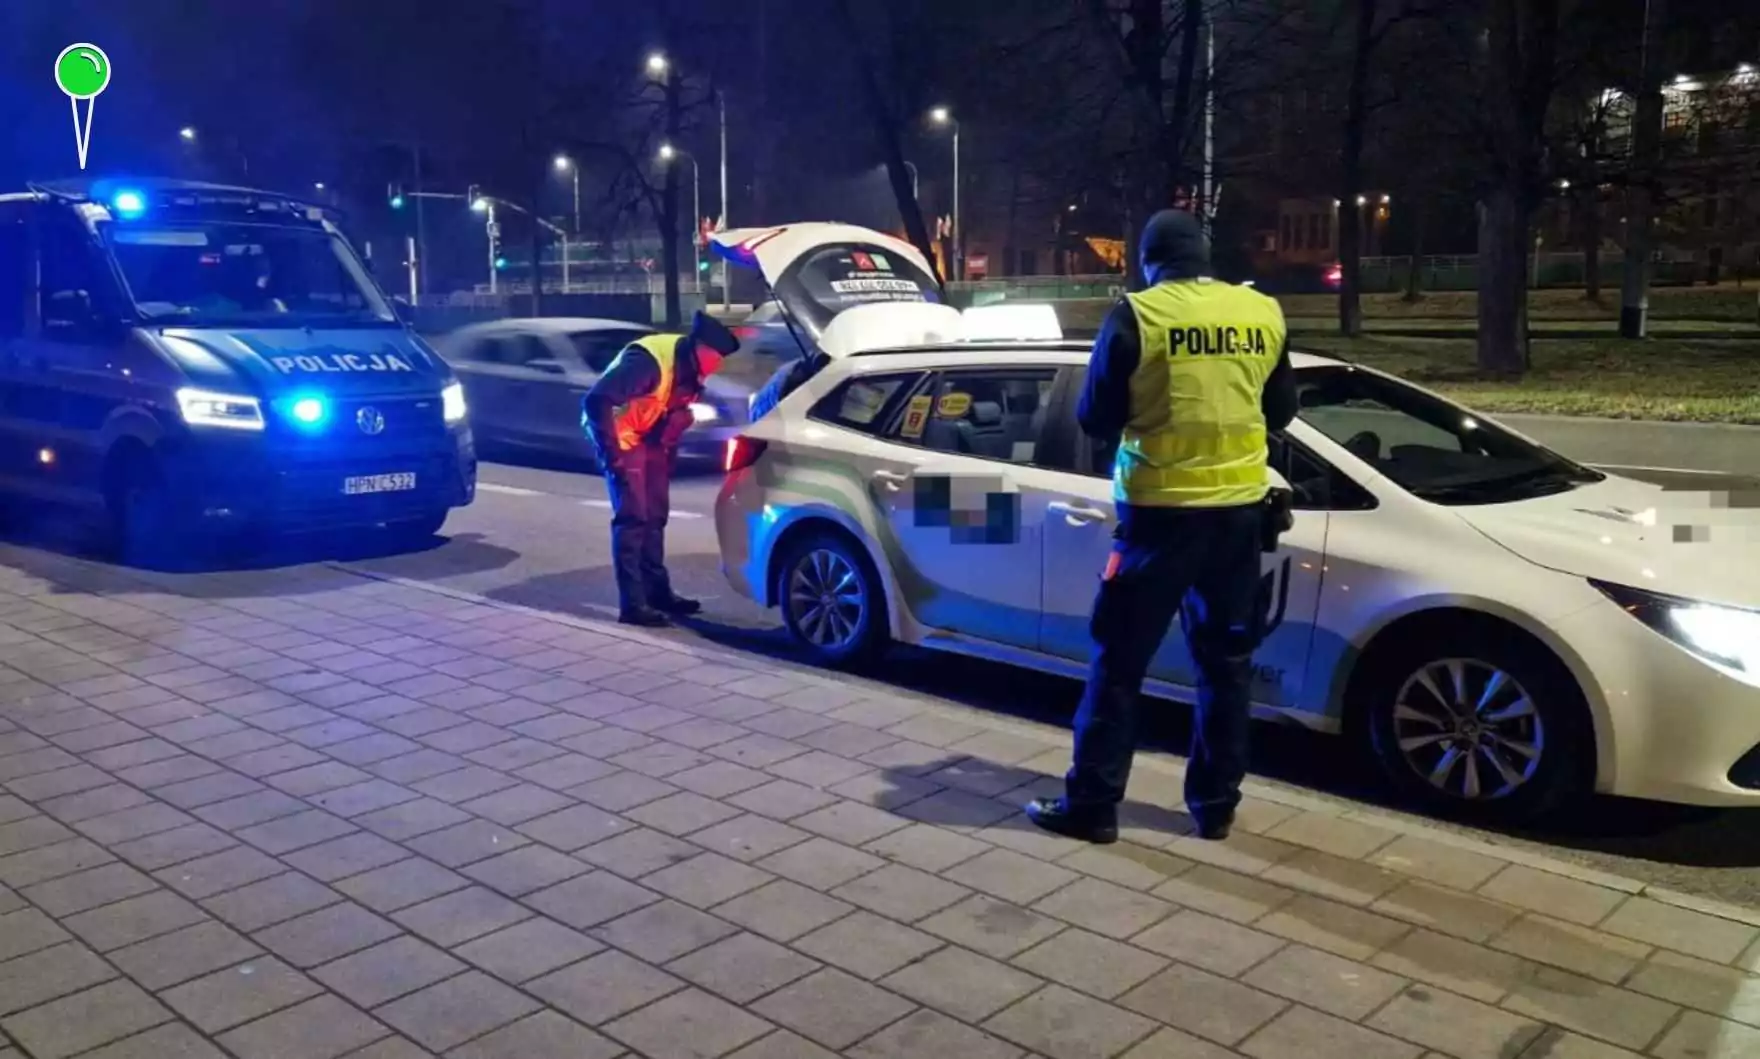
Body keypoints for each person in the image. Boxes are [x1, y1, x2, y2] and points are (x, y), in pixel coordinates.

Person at [1027, 209, 1298, 844]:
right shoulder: (1262, 314)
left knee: (1118, 665)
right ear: (1204, 258)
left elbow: (1096, 416)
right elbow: (1281, 409)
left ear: (1149, 262)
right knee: (1226, 667)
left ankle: (1093, 806)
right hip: (1237, 517)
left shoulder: (1138, 314)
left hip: (1158, 518)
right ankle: (1215, 808)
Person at [583, 311, 740, 627]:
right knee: (633, 519)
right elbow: (596, 400)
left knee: (655, 515)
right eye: (715, 357)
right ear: (699, 347)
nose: (717, 365)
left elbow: (672, 409)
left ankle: (658, 594)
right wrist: (614, 458)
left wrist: (668, 444)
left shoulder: (693, 370)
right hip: (621, 439)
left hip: (649, 440)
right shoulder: (648, 363)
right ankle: (633, 605)